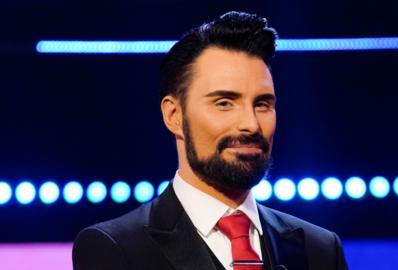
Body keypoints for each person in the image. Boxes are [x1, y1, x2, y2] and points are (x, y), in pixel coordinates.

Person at [72, 11, 348, 270]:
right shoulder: (117, 248)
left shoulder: (320, 250)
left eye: (263, 104)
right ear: (174, 115)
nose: (251, 124)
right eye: (225, 102)